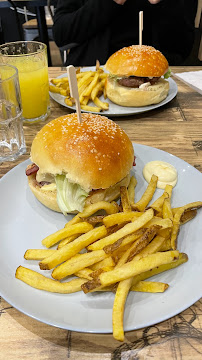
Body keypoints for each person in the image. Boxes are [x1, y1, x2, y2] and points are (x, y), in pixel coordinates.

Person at [52, 0, 198, 66]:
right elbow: (62, 35)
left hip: (156, 75)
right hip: (92, 72)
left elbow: (184, 47)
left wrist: (164, 5)